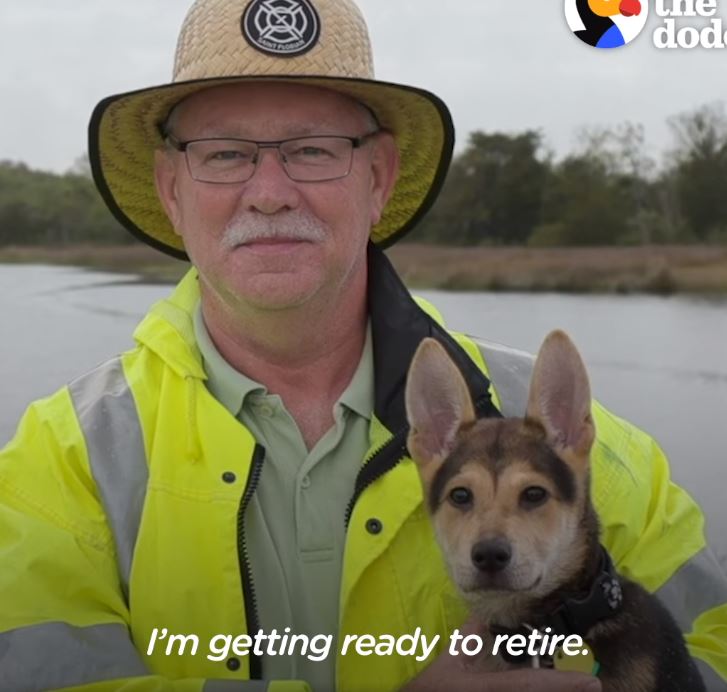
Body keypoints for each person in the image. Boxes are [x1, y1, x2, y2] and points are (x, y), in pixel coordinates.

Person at [0, 0, 725, 690]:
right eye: (224, 155)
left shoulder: (561, 440)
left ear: (377, 178)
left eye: (313, 150)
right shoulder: (64, 459)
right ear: (170, 189)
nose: (270, 192)